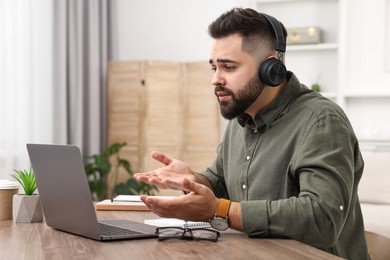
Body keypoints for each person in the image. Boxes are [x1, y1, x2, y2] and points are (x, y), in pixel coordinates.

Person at [134, 7, 369, 259]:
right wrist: (190, 181)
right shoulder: (241, 118)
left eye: (229, 67)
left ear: (271, 69)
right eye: (214, 67)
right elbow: (219, 184)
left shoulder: (321, 121)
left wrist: (221, 210)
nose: (216, 79)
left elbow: (322, 218)